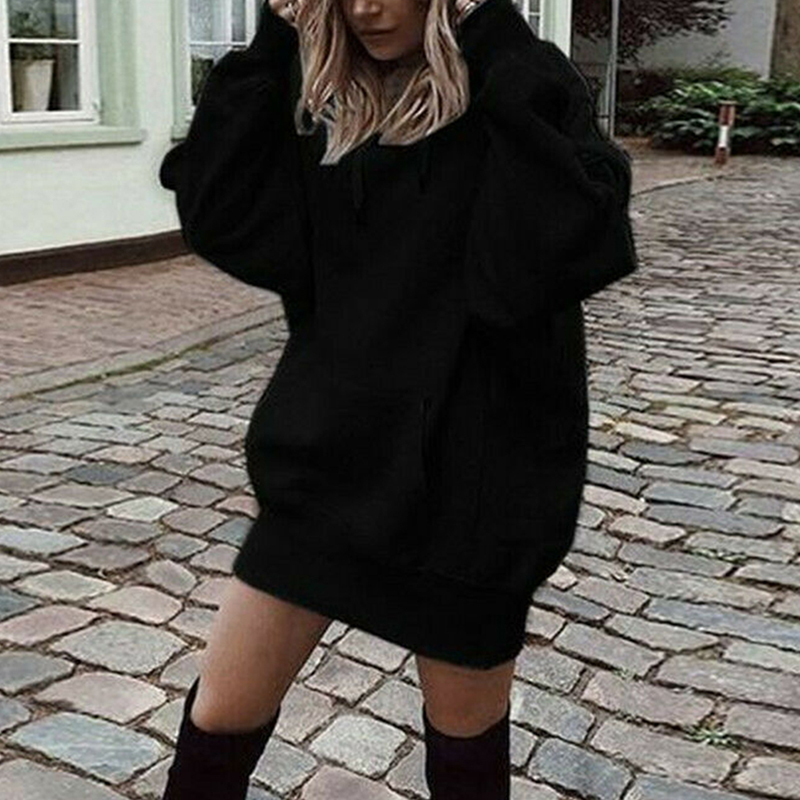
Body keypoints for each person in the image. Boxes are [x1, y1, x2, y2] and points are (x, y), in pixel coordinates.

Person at [157, 0, 639, 797]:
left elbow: (567, 245)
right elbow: (222, 210)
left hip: (472, 499)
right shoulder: (325, 107)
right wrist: (275, 39)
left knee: (464, 749)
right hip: (327, 473)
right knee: (217, 723)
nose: (365, 7)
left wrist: (493, 38)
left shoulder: (516, 91)